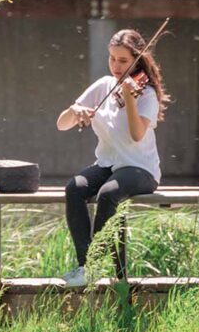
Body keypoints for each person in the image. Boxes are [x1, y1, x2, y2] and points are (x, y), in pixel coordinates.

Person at [55, 29, 170, 287]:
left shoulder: (146, 94)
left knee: (108, 193)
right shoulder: (104, 86)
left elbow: (136, 135)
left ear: (137, 61)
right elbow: (62, 125)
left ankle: (94, 264)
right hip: (108, 164)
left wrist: (129, 99)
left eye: (123, 61)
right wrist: (74, 110)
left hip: (140, 169)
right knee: (74, 188)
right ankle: (85, 266)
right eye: (112, 59)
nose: (116, 66)